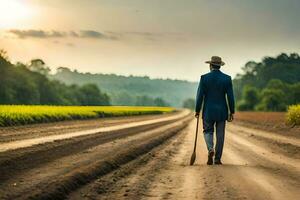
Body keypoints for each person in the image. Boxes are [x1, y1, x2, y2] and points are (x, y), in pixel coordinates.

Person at [195, 56, 235, 165]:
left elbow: (199, 96)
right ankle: (217, 159)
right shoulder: (227, 78)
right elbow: (230, 97)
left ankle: (210, 149)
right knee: (220, 134)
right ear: (220, 65)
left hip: (208, 110)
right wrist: (232, 111)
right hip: (222, 111)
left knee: (208, 131)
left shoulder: (204, 78)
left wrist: (197, 110)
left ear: (210, 65)